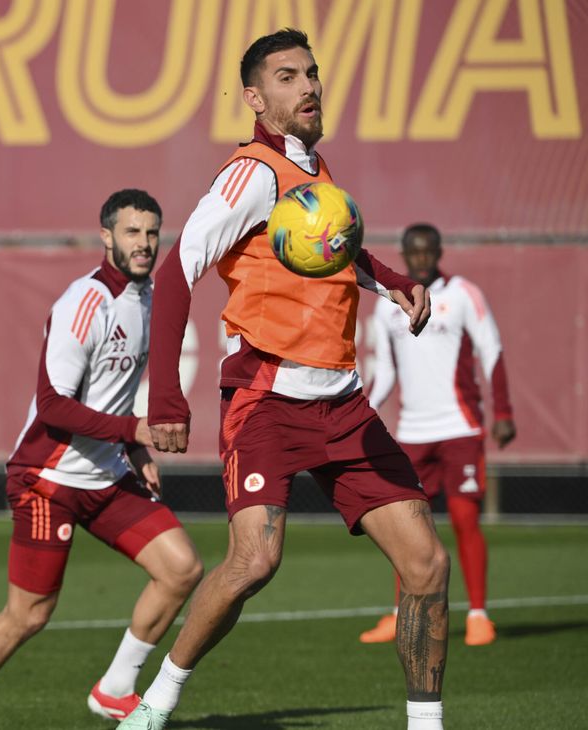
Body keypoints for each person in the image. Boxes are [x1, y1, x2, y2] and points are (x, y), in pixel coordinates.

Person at [119, 29, 451, 730]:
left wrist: (393, 283)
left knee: (426, 565)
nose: (307, 87)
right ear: (255, 98)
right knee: (254, 562)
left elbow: (337, 247)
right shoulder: (253, 173)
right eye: (286, 76)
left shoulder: (314, 170)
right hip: (267, 402)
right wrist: (167, 397)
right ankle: (156, 702)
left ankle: (427, 725)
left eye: (311, 73)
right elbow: (179, 268)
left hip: (343, 404)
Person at [0, 190, 203, 729]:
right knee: (30, 614)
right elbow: (54, 406)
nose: (144, 244)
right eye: (132, 232)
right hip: (48, 479)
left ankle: (115, 689)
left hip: (106, 473)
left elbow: (118, 388)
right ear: (106, 236)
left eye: (152, 233)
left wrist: (132, 447)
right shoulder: (83, 302)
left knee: (181, 569)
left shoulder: (150, 297)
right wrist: (135, 430)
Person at [360, 223, 516, 647]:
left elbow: (492, 349)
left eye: (428, 251)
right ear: (405, 254)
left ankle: (479, 615)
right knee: (405, 527)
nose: (421, 259)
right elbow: (386, 372)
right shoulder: (386, 305)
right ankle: (399, 614)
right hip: (412, 433)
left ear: (439, 251)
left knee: (465, 520)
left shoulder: (464, 293)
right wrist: (363, 414)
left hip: (460, 429)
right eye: (414, 252)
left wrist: (502, 411)